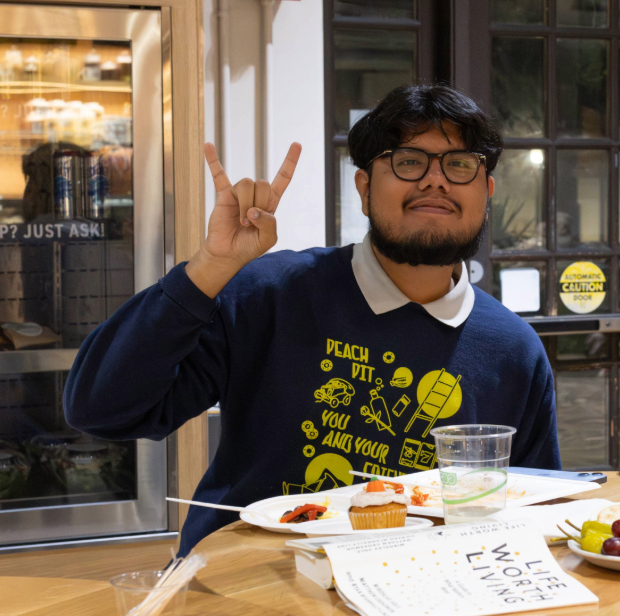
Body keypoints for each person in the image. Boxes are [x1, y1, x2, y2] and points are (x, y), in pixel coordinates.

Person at [63, 84, 561, 555]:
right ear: (364, 188)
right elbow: (102, 409)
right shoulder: (268, 293)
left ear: (487, 191)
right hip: (247, 591)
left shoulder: (513, 351)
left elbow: (533, 518)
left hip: (418, 591)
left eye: (459, 165)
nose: (435, 179)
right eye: (409, 162)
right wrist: (210, 268)